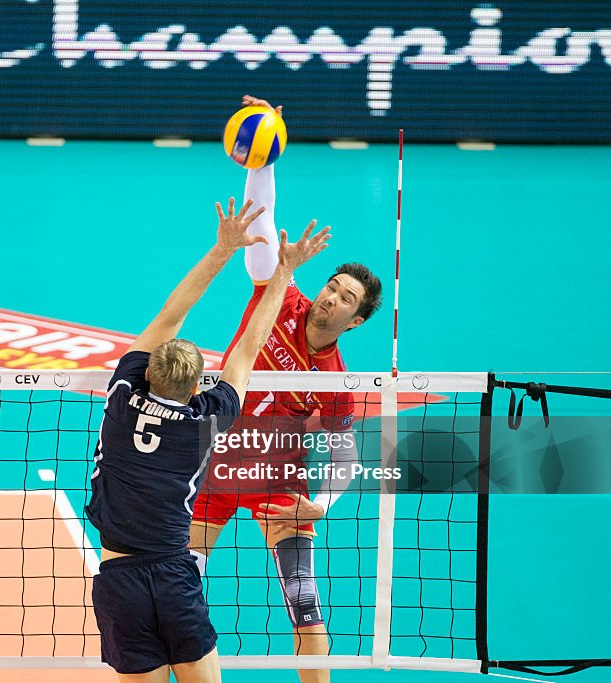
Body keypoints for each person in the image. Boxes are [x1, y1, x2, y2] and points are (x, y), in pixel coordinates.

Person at [86, 195, 330, 683]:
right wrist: (283, 273)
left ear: (147, 369)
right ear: (197, 387)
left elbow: (170, 314)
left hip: (119, 583)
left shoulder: (121, 394)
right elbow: (249, 348)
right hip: (175, 579)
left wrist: (221, 251)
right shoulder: (206, 419)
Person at [188, 97, 383, 683]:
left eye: (346, 298)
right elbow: (263, 223)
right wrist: (263, 154)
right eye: (332, 285)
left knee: (305, 607)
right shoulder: (278, 296)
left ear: (355, 321)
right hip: (216, 464)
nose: (332, 297)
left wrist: (322, 502)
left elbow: (346, 455)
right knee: (179, 581)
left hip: (278, 484)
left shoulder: (335, 382)